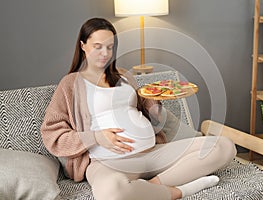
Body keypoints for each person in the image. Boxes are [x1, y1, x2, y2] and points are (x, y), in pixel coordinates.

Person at [41, 17, 237, 200]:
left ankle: (149, 187)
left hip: (152, 153)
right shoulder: (70, 84)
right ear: (82, 45)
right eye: (97, 47)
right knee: (112, 193)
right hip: (108, 161)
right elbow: (51, 132)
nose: (105, 54)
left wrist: (155, 107)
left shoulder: (124, 76)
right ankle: (179, 190)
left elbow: (147, 108)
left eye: (110, 47)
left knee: (224, 146)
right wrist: (97, 136)